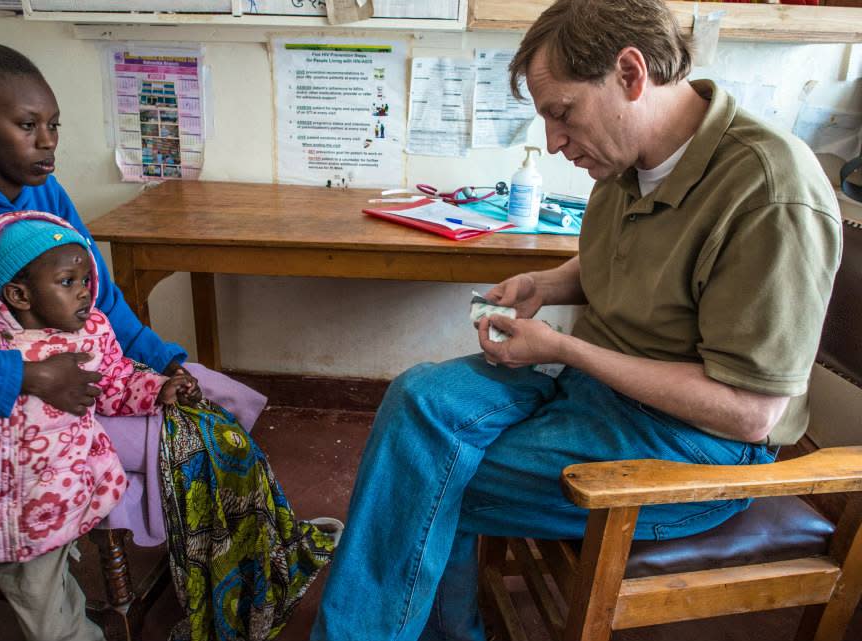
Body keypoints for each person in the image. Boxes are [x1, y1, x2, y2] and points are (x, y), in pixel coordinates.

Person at [310, 1, 843, 640]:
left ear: (630, 72)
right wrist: (550, 282)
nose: (556, 141)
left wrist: (565, 349)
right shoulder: (627, 159)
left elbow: (748, 413)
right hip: (594, 395)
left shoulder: (767, 190)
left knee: (422, 477)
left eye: (562, 113)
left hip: (696, 451)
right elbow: (627, 261)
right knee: (418, 399)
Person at [0, 43, 339, 640]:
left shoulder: (43, 193)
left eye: (53, 125)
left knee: (224, 401)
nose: (47, 142)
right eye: (27, 126)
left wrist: (167, 361)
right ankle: (226, 581)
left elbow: (101, 298)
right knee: (203, 443)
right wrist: (28, 378)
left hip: (73, 378)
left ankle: (259, 552)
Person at [0, 212, 200, 641]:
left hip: (47, 513)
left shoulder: (93, 334)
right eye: (67, 282)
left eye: (85, 280)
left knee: (53, 619)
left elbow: (115, 383)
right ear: (19, 294)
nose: (85, 293)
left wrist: (157, 389)